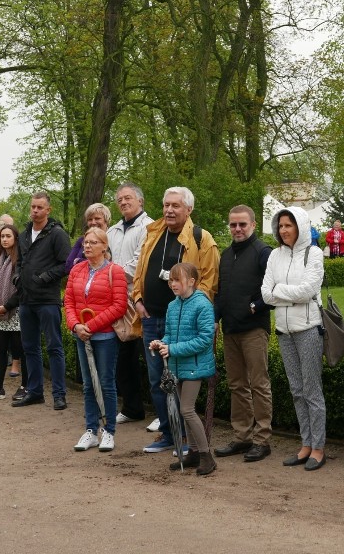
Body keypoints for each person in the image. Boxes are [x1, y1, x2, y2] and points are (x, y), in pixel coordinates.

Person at [132, 187, 219, 453]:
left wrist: (187, 310)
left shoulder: (201, 238)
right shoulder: (152, 234)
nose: (169, 210)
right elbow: (140, 269)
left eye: (176, 206)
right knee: (158, 381)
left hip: (183, 323)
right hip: (152, 318)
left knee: (181, 383)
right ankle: (169, 434)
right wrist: (137, 299)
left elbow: (209, 282)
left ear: (189, 209)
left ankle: (187, 441)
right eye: (166, 205)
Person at [261, 206, 327, 470]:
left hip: (309, 328)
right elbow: (265, 294)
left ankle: (319, 448)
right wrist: (287, 294)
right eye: (280, 226)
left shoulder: (314, 253)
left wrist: (279, 291)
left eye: (289, 225)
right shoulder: (275, 255)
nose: (283, 230)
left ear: (300, 226)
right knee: (297, 391)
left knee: (312, 391)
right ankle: (306, 444)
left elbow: (308, 290)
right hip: (284, 331)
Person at [213, 205, 274, 463]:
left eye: (242, 224)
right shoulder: (226, 255)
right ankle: (242, 436)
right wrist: (214, 320)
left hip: (253, 329)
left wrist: (255, 306)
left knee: (258, 384)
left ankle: (262, 440)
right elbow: (220, 293)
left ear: (253, 225)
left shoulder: (263, 252)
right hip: (230, 329)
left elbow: (274, 289)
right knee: (236, 385)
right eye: (233, 225)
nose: (237, 229)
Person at [149, 263, 217, 475]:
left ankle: (207, 456)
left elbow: (205, 339)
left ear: (191, 282)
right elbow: (170, 335)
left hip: (195, 367)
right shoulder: (172, 306)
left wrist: (173, 349)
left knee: (187, 409)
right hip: (178, 366)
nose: (172, 284)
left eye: (177, 280)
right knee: (183, 410)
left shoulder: (202, 304)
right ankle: (194, 453)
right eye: (171, 280)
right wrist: (161, 343)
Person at [65, 227, 128, 452]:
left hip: (105, 337)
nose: (87, 246)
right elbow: (69, 301)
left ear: (104, 246)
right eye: (85, 243)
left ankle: (108, 430)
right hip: (82, 335)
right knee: (88, 384)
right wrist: (75, 325)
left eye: (93, 242)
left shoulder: (115, 271)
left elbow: (119, 306)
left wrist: (89, 326)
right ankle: (91, 430)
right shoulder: (77, 270)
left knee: (106, 383)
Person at [12, 191, 72, 410]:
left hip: (48, 300)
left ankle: (59, 394)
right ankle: (35, 391)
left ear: (48, 210)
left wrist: (45, 277)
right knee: (30, 348)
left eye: (40, 207)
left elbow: (67, 264)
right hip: (26, 300)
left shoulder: (57, 234)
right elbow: (19, 261)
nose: (35, 211)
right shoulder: (24, 234)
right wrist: (17, 276)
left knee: (54, 347)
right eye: (33, 207)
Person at [106, 183, 154, 426]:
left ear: (140, 201)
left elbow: (139, 263)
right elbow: (107, 259)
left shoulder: (149, 227)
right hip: (117, 299)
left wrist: (110, 274)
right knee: (123, 356)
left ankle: (161, 412)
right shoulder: (113, 230)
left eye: (128, 198)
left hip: (142, 298)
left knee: (150, 356)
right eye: (120, 200)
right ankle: (132, 407)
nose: (123, 202)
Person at [0, 223, 25, 402]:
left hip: (15, 311)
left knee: (20, 350)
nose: (5, 239)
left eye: (9, 236)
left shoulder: (20, 259)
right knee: (0, 350)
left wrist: (7, 306)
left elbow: (21, 288)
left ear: (16, 238)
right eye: (2, 236)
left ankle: (25, 386)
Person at [66, 203, 112, 273]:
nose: (93, 222)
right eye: (90, 219)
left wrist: (79, 261)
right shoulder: (82, 240)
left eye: (97, 218)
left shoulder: (112, 238)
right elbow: (69, 265)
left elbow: (109, 265)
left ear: (106, 220)